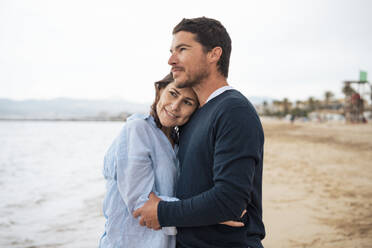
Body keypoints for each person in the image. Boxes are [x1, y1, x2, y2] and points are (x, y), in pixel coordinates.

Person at [133, 17, 266, 248]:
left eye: (182, 49)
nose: (171, 60)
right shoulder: (194, 115)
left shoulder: (233, 110)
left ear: (214, 54)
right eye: (172, 51)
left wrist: (163, 212)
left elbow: (229, 201)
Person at [99, 74, 242, 248]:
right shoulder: (137, 130)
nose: (175, 107)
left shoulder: (179, 142)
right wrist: (211, 212)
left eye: (187, 102)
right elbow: (141, 206)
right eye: (173, 94)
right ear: (160, 91)